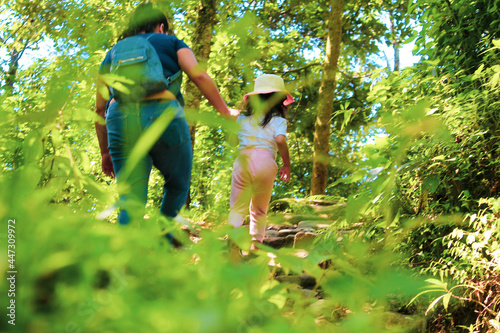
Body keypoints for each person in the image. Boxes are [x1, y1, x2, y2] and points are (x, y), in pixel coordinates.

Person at [94, 3, 232, 241]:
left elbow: (99, 108)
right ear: (161, 27)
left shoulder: (114, 52)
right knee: (178, 184)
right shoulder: (172, 42)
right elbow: (198, 74)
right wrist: (225, 112)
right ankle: (164, 245)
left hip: (120, 118)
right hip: (164, 113)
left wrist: (105, 152)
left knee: (131, 199)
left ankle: (124, 261)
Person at [228, 74, 293, 252]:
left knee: (237, 208)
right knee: (259, 210)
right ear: (280, 102)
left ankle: (233, 244)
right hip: (266, 163)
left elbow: (233, 142)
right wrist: (286, 164)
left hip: (243, 161)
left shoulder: (242, 119)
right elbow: (280, 141)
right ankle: (255, 247)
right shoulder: (279, 121)